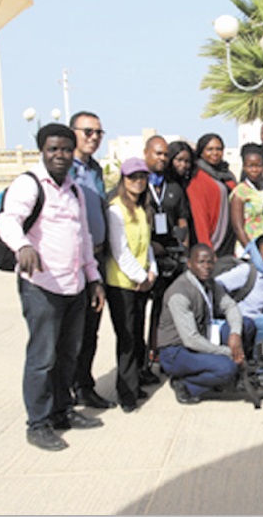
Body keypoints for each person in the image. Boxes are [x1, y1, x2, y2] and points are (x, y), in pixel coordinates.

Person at [0, 123, 105, 451]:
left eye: (65, 149)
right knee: (42, 358)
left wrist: (94, 278)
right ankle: (38, 423)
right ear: (42, 151)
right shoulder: (29, 184)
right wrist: (22, 246)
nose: (59, 155)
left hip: (74, 286)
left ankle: (62, 411)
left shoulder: (74, 191)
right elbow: (8, 219)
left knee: (67, 354)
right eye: (52, 149)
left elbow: (83, 237)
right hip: (41, 286)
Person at [155, 244, 257, 405]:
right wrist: (228, 352)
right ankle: (187, 385)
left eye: (210, 262)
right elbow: (191, 339)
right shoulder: (180, 294)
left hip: (203, 336)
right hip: (176, 351)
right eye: (201, 262)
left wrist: (235, 334)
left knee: (247, 325)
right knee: (227, 368)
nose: (206, 267)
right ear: (190, 264)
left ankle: (224, 373)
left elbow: (230, 306)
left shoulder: (210, 283)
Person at [67, 111, 114, 409]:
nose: (94, 137)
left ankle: (84, 386)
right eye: (88, 132)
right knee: (68, 333)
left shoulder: (95, 169)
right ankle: (64, 394)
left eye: (98, 132)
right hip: (71, 263)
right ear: (72, 132)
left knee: (90, 330)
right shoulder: (62, 169)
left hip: (96, 259)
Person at [104, 157, 158, 412]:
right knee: (126, 339)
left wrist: (152, 271)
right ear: (123, 180)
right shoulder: (116, 209)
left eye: (142, 177)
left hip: (141, 282)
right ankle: (126, 393)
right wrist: (140, 276)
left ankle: (135, 383)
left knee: (137, 335)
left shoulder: (142, 208)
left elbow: (146, 246)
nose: (138, 182)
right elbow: (120, 250)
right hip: (122, 284)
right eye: (132, 177)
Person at [142, 135, 190, 386]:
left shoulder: (173, 187)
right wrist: (150, 245)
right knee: (139, 313)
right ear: (146, 153)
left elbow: (182, 218)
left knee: (165, 309)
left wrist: (184, 247)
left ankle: (159, 353)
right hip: (145, 259)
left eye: (164, 155)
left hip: (173, 257)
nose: (161, 159)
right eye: (157, 154)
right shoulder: (138, 183)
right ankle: (142, 362)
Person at [187, 133, 237, 257]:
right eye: (209, 149)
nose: (215, 153)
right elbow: (200, 216)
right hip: (215, 241)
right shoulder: (198, 177)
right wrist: (207, 248)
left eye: (218, 149)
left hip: (231, 239)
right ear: (201, 152)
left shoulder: (226, 173)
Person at [231, 143, 263, 253]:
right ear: (244, 167)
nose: (255, 170)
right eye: (250, 166)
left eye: (258, 165)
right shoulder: (240, 192)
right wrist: (252, 251)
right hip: (249, 249)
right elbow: (238, 227)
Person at [165, 140, 197, 247]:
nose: (183, 165)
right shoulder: (164, 184)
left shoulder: (190, 183)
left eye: (187, 161)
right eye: (179, 160)